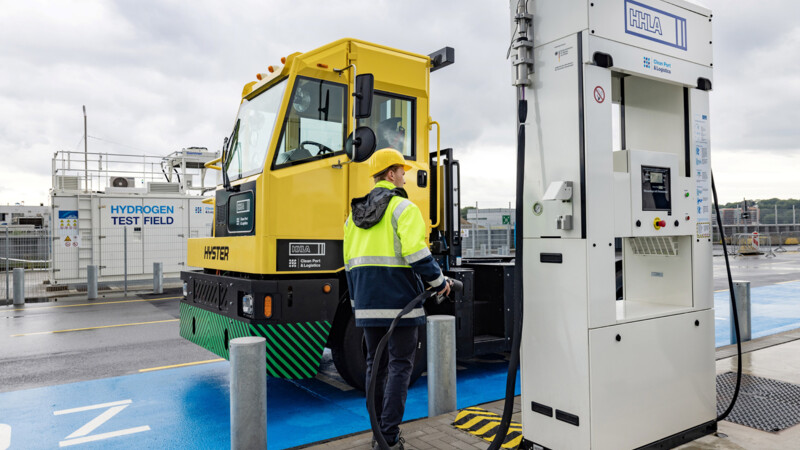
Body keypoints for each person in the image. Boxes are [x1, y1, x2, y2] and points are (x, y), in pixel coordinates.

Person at [343, 148, 451, 450]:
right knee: (400, 365)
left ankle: (377, 431)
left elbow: (349, 264)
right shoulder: (404, 208)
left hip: (365, 301)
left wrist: (356, 305)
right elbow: (417, 253)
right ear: (391, 174)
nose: (405, 176)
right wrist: (439, 281)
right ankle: (388, 437)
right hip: (400, 302)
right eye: (402, 171)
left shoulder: (353, 217)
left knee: (373, 366)